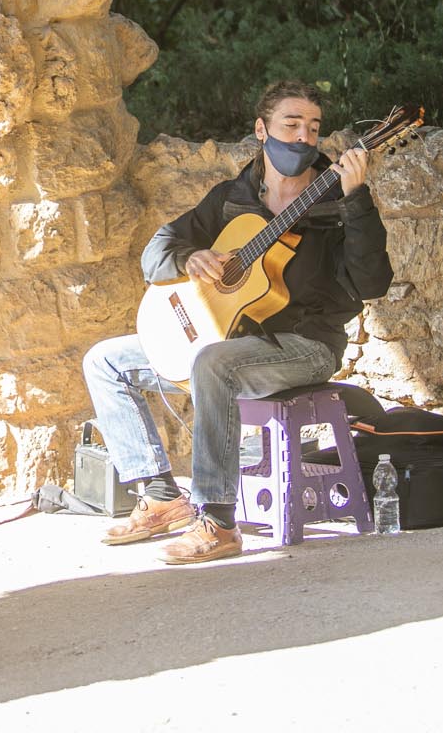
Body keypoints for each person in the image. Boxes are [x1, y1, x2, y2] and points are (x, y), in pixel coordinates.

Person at [82, 79, 393, 564]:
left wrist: (356, 199)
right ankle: (160, 496)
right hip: (226, 338)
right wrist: (189, 258)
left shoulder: (334, 203)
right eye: (291, 125)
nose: (304, 137)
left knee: (212, 363)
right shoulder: (233, 198)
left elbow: (372, 283)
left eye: (313, 128)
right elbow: (156, 252)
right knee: (105, 361)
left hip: (303, 345)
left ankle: (219, 524)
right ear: (261, 130)